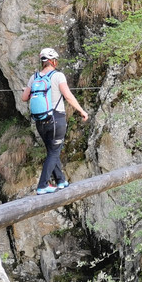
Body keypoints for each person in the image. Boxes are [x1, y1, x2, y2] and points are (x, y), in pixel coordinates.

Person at [21, 47, 89, 195]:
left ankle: (60, 180)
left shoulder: (34, 78)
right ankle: (43, 185)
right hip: (56, 120)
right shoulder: (58, 76)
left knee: (52, 151)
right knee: (53, 152)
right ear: (53, 61)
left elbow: (24, 98)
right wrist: (82, 111)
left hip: (40, 121)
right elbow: (68, 96)